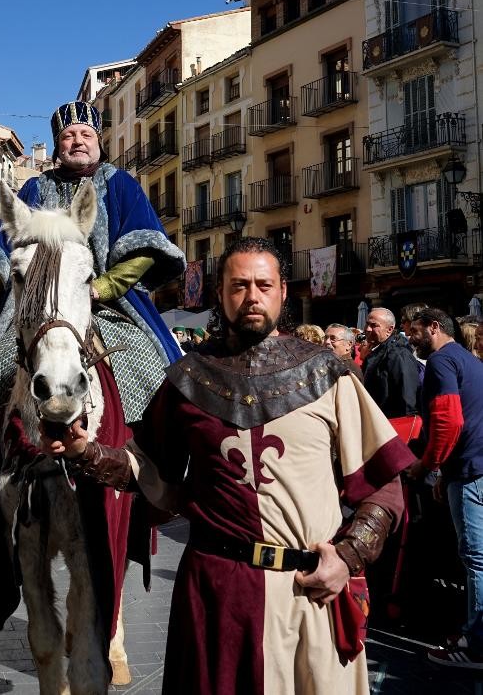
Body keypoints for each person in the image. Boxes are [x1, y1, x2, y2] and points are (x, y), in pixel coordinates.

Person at [41, 238, 413, 693]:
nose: (252, 296)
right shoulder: (189, 378)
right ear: (220, 293)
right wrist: (86, 451)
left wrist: (348, 557)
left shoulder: (325, 374)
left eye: (263, 285)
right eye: (239, 285)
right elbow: (146, 469)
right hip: (215, 595)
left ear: (282, 292)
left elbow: (384, 483)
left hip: (307, 592)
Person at [0, 99, 185, 482]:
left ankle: (151, 468)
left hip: (107, 303)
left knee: (152, 365)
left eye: (85, 134)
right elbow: (6, 261)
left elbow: (145, 249)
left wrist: (102, 286)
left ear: (98, 140)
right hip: (36, 304)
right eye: (69, 136)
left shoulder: (120, 185)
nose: (77, 141)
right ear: (57, 145)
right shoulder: (35, 188)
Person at [405, 308, 483, 667]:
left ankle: (475, 645)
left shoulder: (440, 363)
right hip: (469, 468)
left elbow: (449, 420)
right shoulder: (469, 360)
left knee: (476, 559)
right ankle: (472, 633)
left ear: (435, 327)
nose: (410, 338)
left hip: (468, 472)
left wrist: (427, 466)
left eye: (414, 331)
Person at [362, 307, 421, 420]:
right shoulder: (377, 351)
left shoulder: (398, 355)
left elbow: (407, 398)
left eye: (374, 325)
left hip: (392, 425)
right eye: (367, 324)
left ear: (389, 329)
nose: (368, 329)